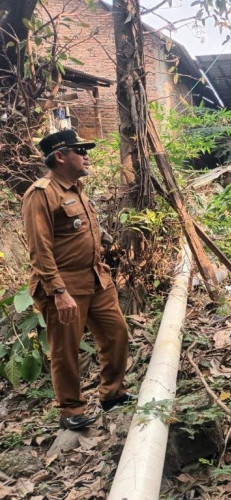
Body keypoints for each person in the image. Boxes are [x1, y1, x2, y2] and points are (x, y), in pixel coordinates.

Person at [22, 130, 132, 431]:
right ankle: (71, 409)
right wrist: (57, 291)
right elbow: (39, 249)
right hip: (64, 286)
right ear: (60, 157)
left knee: (116, 333)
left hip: (96, 279)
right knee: (65, 349)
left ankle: (112, 393)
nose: (86, 156)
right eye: (79, 150)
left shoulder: (77, 188)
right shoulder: (42, 194)